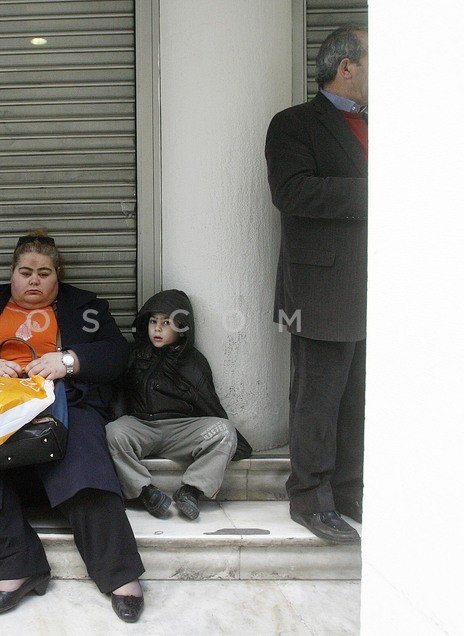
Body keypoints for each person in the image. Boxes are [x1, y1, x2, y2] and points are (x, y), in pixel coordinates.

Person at [0, 230, 145, 624]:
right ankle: (16, 565)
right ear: (11, 273)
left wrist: (68, 361)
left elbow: (117, 353)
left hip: (63, 405)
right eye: (25, 272)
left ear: (57, 275)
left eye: (43, 273)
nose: (34, 280)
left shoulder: (86, 306)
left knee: (84, 457)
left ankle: (119, 573)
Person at [264, 24, 368, 544]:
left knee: (360, 398)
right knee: (317, 398)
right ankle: (309, 497)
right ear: (346, 66)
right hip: (320, 290)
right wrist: (382, 192)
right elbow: (294, 192)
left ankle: (350, 492)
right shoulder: (294, 124)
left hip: (379, 288)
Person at [106, 289, 252, 521]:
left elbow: (210, 405)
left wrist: (236, 442)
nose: (157, 329)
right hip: (141, 426)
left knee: (224, 430)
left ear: (182, 328)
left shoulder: (194, 362)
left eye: (167, 323)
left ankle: (190, 491)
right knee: (112, 432)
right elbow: (116, 395)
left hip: (182, 430)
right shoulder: (134, 355)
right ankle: (145, 493)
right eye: (153, 321)